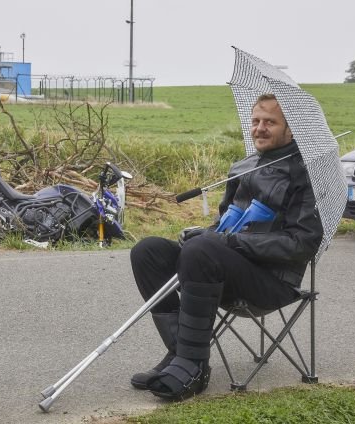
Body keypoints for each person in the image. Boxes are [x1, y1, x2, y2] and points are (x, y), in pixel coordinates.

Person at [129, 94, 324, 400]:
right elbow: (224, 227)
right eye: (256, 121)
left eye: (270, 122)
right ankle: (180, 352)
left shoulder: (305, 173)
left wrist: (225, 242)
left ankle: (194, 368)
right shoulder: (243, 166)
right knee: (148, 250)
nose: (259, 128)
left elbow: (302, 244)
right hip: (222, 269)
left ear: (291, 128)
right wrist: (201, 234)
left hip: (271, 281)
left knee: (203, 250)